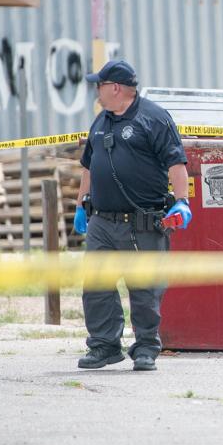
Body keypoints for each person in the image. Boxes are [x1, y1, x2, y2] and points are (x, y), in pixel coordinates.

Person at [72, 59, 192, 371]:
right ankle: (103, 346)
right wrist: (81, 204)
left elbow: (177, 163)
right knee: (96, 286)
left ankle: (146, 348)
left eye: (99, 85)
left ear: (115, 88)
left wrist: (182, 201)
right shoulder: (101, 121)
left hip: (141, 223)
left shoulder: (154, 118)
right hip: (102, 221)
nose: (96, 92)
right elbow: (88, 164)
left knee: (145, 288)